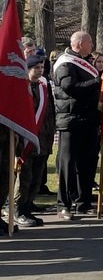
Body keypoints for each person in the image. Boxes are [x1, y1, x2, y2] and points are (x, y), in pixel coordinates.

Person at [53, 31, 102, 220]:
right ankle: (63, 205)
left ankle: (83, 203)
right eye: (90, 43)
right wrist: (98, 82)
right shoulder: (65, 63)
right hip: (70, 121)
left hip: (88, 120)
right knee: (67, 164)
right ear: (80, 44)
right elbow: (70, 87)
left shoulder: (85, 62)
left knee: (87, 164)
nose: (92, 46)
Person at [13, 55, 55, 227]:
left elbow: (49, 113)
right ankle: (17, 209)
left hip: (42, 139)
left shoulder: (43, 87)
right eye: (36, 67)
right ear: (28, 69)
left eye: (42, 67)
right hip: (26, 141)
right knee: (25, 176)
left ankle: (28, 207)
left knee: (36, 177)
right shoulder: (22, 88)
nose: (40, 70)